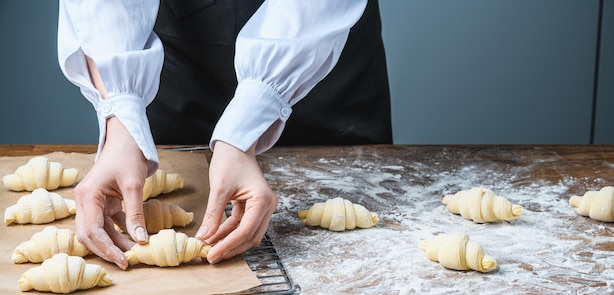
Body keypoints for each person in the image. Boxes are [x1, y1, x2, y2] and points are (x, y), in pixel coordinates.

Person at [57, 0, 392, 269]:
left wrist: (247, 122)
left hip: (315, 51)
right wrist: (121, 112)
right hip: (176, 59)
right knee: (159, 182)